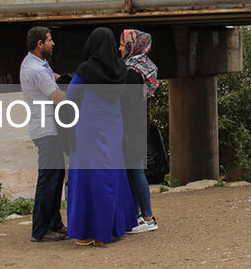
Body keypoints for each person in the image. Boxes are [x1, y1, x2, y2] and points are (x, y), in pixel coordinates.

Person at [67, 27, 137, 246]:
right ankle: (113, 228)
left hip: (89, 128)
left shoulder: (86, 70)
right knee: (112, 172)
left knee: (88, 177)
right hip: (114, 126)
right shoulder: (121, 68)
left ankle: (88, 231)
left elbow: (70, 96)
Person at [19, 26, 67, 243]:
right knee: (48, 181)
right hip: (46, 131)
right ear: (40, 44)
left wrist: (69, 77)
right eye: (50, 40)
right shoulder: (36, 70)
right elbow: (58, 97)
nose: (53, 43)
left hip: (48, 130)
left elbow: (55, 77)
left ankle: (55, 224)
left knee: (55, 180)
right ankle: (40, 230)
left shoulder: (36, 63)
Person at [120, 28, 160, 234]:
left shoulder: (132, 72)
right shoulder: (143, 67)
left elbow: (126, 100)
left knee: (135, 170)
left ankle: (148, 217)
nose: (119, 48)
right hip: (138, 123)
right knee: (133, 170)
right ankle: (136, 216)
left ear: (132, 45)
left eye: (122, 44)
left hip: (132, 126)